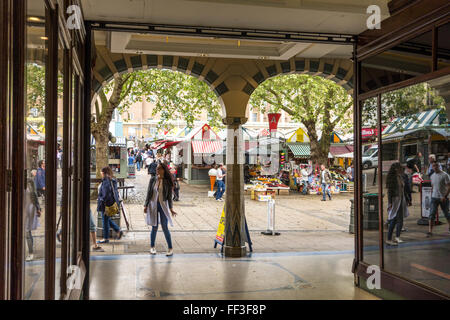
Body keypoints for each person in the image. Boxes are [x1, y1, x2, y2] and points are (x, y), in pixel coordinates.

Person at [144, 162, 178, 256]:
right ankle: (152, 247)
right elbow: (149, 193)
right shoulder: (153, 179)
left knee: (164, 227)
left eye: (159, 168)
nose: (157, 170)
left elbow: (169, 197)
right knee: (154, 227)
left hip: (163, 206)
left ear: (163, 170)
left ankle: (170, 248)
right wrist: (145, 205)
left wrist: (171, 209)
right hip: (153, 205)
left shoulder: (167, 181)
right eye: (157, 168)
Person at [97, 166, 123, 244]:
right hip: (110, 203)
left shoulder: (106, 181)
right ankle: (118, 230)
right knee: (106, 219)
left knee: (105, 220)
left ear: (104, 173)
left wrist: (101, 200)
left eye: (101, 172)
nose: (100, 173)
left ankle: (106, 238)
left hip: (105, 205)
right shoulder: (112, 180)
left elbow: (105, 194)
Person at [386, 163, 409, 245]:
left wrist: (407, 199)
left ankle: (395, 237)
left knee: (398, 219)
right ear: (396, 169)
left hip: (401, 199)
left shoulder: (399, 177)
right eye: (400, 168)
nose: (401, 169)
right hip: (395, 200)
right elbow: (389, 192)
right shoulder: (393, 178)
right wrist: (390, 203)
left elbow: (403, 189)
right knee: (395, 219)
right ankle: (391, 238)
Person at [427, 161, 450, 237]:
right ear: (432, 167)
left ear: (439, 166)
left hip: (443, 198)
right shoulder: (432, 176)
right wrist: (432, 194)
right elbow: (433, 186)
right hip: (434, 198)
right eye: (433, 166)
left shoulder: (445, 175)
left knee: (447, 214)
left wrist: (445, 196)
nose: (435, 167)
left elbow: (449, 186)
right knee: (431, 214)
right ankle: (430, 231)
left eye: (436, 166)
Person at [25, 170, 41, 261]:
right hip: (22, 210)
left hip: (30, 209)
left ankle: (31, 253)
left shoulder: (30, 181)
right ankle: (30, 250)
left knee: (27, 231)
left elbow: (34, 195)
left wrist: (38, 208)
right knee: (27, 232)